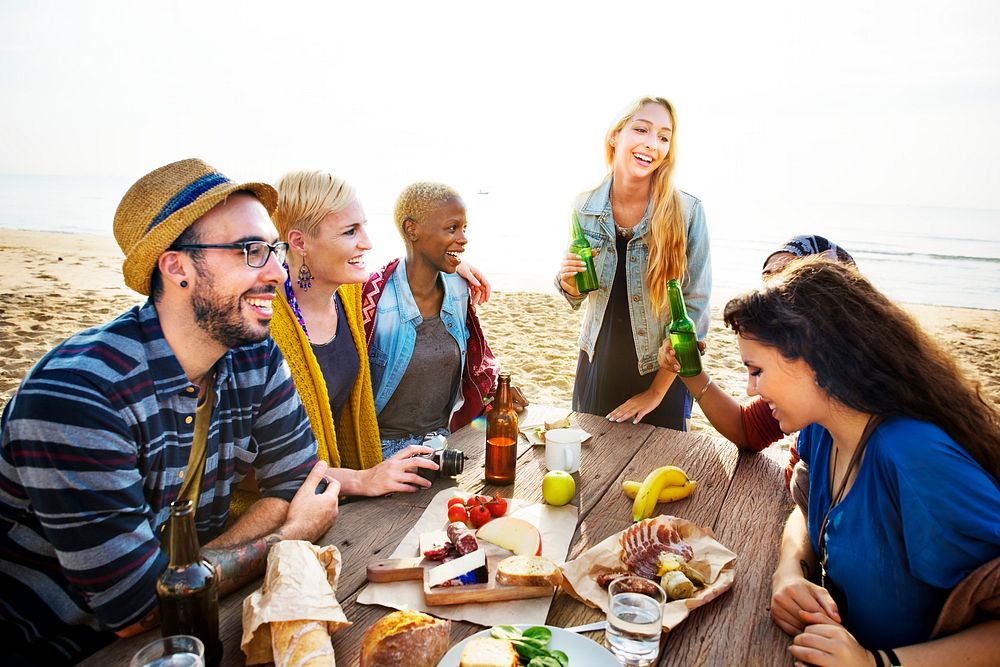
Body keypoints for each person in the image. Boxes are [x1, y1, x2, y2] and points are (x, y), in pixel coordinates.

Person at [0, 159, 340, 665]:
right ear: (176, 266)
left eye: (275, 249)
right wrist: (289, 535)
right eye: (251, 251)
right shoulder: (77, 395)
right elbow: (135, 603)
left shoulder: (254, 354)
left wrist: (187, 574)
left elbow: (299, 484)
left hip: (188, 633)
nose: (277, 271)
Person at [723, 258, 1000, 666]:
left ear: (814, 361)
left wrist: (877, 662)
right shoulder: (822, 427)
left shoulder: (910, 454)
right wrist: (790, 571)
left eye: (756, 370)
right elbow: (807, 509)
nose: (750, 388)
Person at [268, 170, 440, 495]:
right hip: (278, 510)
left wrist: (451, 265)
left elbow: (400, 278)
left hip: (336, 496)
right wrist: (361, 480)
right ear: (300, 242)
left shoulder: (347, 296)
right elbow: (251, 469)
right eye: (350, 232)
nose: (367, 242)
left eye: (363, 226)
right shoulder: (264, 322)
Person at [557, 96, 711, 429]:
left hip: (661, 373)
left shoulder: (688, 212)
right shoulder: (584, 206)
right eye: (641, 129)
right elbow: (578, 291)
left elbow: (695, 308)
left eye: (663, 137)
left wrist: (655, 394)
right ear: (615, 135)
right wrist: (568, 283)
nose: (651, 144)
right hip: (597, 365)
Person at [658, 235, 855, 480]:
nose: (771, 298)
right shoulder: (806, 392)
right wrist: (689, 371)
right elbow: (748, 429)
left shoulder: (879, 442)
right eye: (768, 282)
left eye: (785, 285)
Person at [362, 182, 500, 456]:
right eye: (452, 228)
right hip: (382, 453)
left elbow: (473, 366)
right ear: (412, 229)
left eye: (464, 228)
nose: (463, 238)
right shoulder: (375, 300)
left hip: (445, 443)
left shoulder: (460, 290)